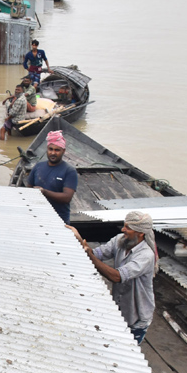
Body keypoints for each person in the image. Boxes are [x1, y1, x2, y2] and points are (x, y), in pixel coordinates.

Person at [70, 211, 157, 343]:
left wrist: (89, 254)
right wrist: (79, 240)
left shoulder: (145, 255)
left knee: (128, 351)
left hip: (137, 316)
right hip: (121, 308)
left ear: (140, 233)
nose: (123, 229)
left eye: (128, 227)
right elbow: (97, 254)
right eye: (124, 225)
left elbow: (117, 277)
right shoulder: (119, 240)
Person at [26, 129, 78, 222]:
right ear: (47, 149)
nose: (53, 153)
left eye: (57, 150)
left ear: (63, 151)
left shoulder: (69, 171)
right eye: (50, 149)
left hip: (59, 219)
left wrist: (44, 192)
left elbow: (67, 198)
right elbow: (28, 189)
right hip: (37, 217)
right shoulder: (38, 166)